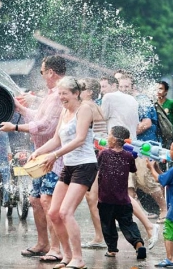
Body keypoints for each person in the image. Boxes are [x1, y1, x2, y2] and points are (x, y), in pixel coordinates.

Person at [0, 55, 65, 262]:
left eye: (42, 71)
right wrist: (20, 109)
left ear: (51, 73)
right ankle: (42, 243)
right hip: (40, 155)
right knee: (35, 200)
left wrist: (16, 127)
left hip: (53, 157)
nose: (42, 75)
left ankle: (56, 248)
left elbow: (46, 125)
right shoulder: (51, 94)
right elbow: (38, 117)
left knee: (48, 201)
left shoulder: (58, 95)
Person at [28, 76, 98, 269]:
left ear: (76, 93)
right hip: (69, 166)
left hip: (85, 165)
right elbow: (56, 140)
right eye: (59, 94)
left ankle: (79, 259)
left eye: (65, 94)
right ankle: (66, 256)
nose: (61, 98)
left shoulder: (84, 109)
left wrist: (55, 155)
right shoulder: (64, 112)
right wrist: (38, 152)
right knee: (53, 213)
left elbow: (80, 139)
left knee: (66, 212)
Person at [119, 75, 168, 223]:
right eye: (120, 87)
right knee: (129, 183)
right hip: (129, 148)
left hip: (144, 149)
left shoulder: (141, 100)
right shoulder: (123, 101)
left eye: (126, 87)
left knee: (146, 181)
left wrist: (125, 135)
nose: (123, 90)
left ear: (133, 87)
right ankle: (132, 215)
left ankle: (164, 209)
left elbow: (146, 123)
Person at [97, 126, 146, 260]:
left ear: (114, 139)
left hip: (105, 199)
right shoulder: (128, 155)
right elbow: (132, 169)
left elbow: (97, 167)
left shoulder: (104, 154)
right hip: (123, 200)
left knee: (108, 225)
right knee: (128, 224)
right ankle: (138, 244)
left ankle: (112, 250)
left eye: (109, 135)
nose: (107, 137)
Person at [146, 139, 173, 267]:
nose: (168, 151)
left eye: (171, 149)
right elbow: (167, 178)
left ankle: (170, 259)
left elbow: (160, 180)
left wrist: (150, 168)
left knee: (168, 233)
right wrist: (157, 168)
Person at [78, 77, 107, 249]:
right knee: (93, 197)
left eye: (81, 88)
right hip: (99, 155)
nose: (78, 91)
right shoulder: (95, 105)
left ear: (89, 92)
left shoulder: (87, 106)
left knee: (92, 198)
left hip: (95, 155)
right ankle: (100, 235)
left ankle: (99, 237)